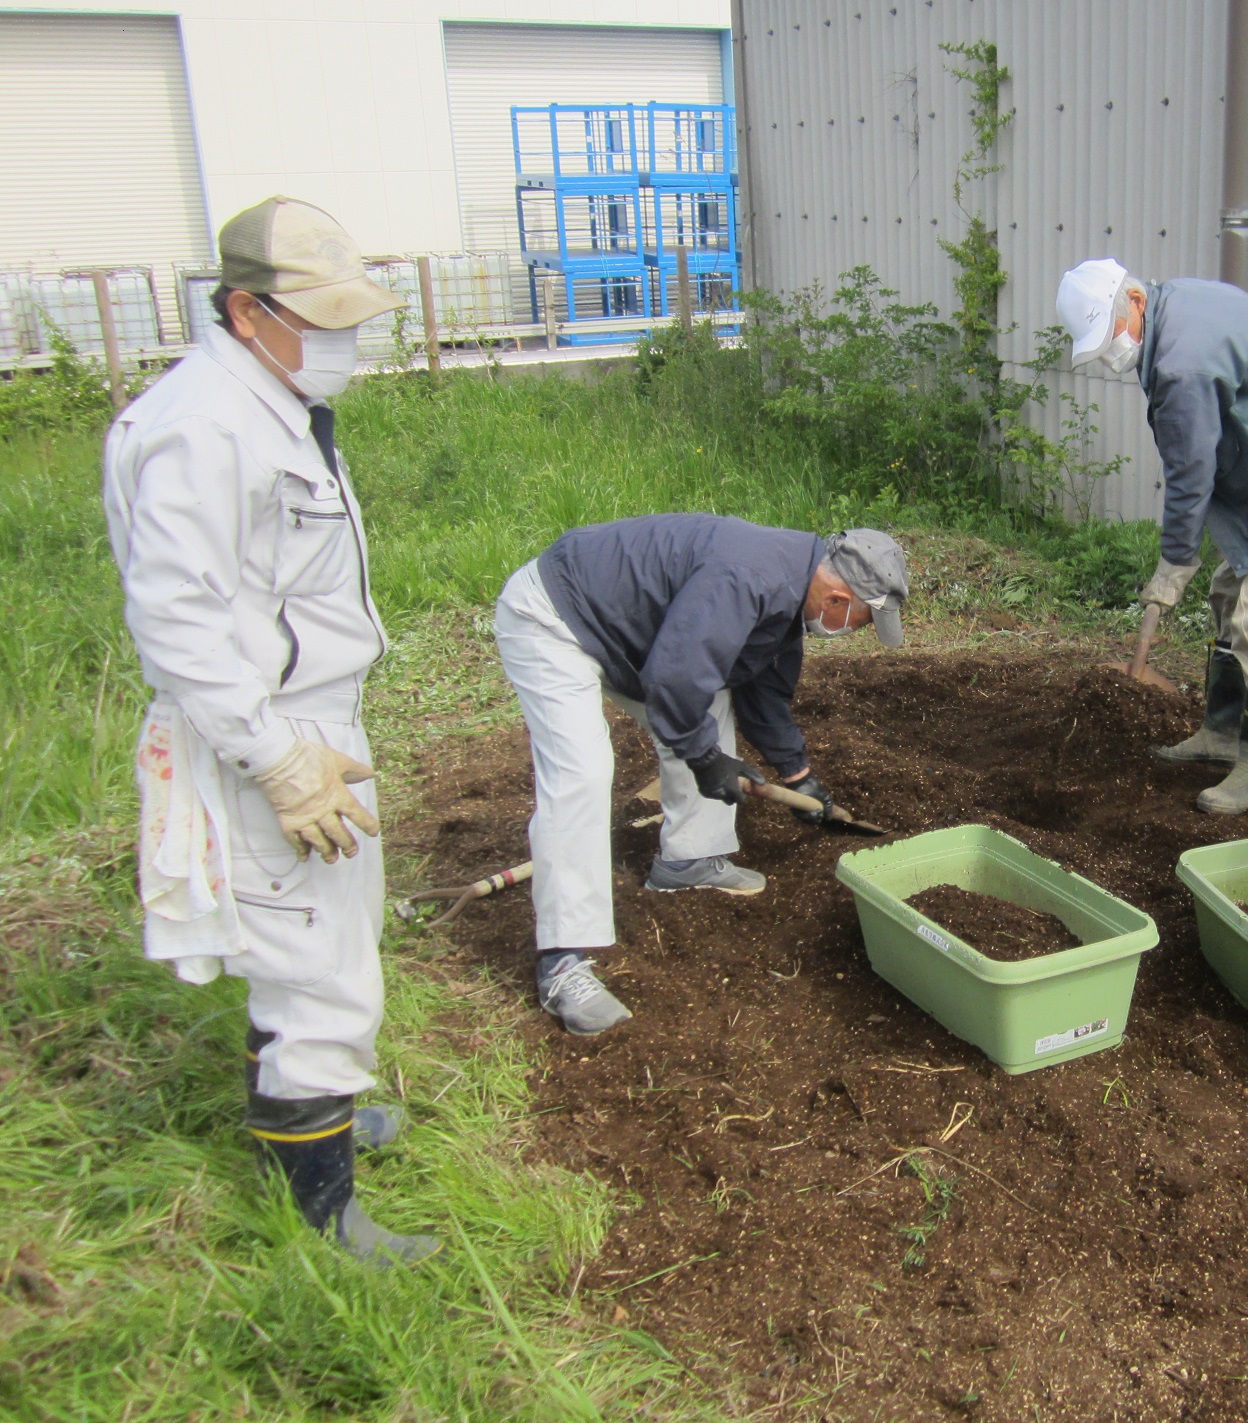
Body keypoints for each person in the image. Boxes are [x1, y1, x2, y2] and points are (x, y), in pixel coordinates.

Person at [103, 196, 436, 1265]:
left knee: (315, 943)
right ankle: (317, 1214)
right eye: (322, 319)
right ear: (247, 311)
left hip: (305, 714)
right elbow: (178, 619)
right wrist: (282, 762)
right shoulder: (204, 426)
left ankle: (312, 1115)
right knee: (319, 968)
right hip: (262, 730)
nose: (342, 342)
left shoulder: (266, 403)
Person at [492, 516, 908, 1034]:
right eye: (865, 622)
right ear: (839, 601)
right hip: (558, 616)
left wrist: (799, 776)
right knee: (582, 772)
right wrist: (705, 759)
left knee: (709, 700)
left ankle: (687, 860)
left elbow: (762, 691)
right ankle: (561, 963)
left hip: (631, 635)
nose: (853, 634)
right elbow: (674, 676)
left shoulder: (790, 593)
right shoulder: (751, 578)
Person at [1056, 258, 1248, 813]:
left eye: (1111, 338)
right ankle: (1222, 731)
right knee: (1229, 594)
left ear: (1133, 302)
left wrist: (1175, 564)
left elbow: (1190, 474)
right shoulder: (1172, 308)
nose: (1112, 355)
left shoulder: (1183, 364)